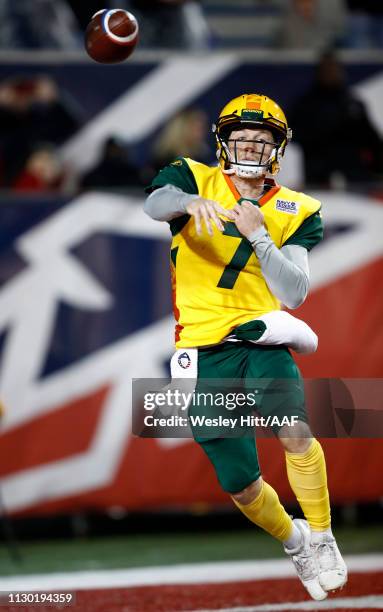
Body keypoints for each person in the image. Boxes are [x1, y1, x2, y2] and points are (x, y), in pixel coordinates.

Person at [143, 93, 347, 601]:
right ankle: (294, 540)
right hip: (201, 347)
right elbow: (154, 202)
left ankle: (321, 536)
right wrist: (189, 203)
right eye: (241, 137)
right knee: (239, 482)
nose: (250, 146)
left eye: (261, 139)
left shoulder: (295, 208)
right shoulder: (193, 177)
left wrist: (260, 237)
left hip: (259, 335)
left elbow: (295, 292)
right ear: (223, 141)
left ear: (278, 147)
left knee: (294, 429)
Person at [290, 51, 383, 186]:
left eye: (334, 69)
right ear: (319, 73)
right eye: (327, 70)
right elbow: (294, 134)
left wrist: (378, 166)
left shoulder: (352, 102)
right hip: (319, 173)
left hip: (355, 174)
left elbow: (371, 137)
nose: (331, 73)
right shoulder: (306, 104)